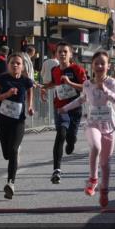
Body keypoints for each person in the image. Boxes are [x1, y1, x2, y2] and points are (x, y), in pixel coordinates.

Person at [59, 50, 115, 209]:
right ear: (92, 66)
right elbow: (82, 99)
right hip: (92, 124)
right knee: (95, 147)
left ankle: (104, 190)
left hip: (108, 126)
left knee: (105, 163)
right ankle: (93, 179)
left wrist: (107, 92)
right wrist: (65, 108)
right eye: (97, 63)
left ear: (108, 66)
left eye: (103, 63)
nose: (100, 66)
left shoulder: (112, 83)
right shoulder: (87, 84)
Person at [0, 53, 35, 198]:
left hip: (18, 122)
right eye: (12, 63)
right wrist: (6, 95)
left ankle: (10, 183)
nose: (15, 65)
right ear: (8, 65)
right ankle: (14, 155)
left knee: (14, 150)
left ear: (22, 67)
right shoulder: (2, 80)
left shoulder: (26, 81)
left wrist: (30, 106)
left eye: (18, 63)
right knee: (6, 155)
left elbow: (30, 92)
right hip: (3, 120)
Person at [45, 43, 86, 184]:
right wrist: (44, 88)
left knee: (70, 138)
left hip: (75, 108)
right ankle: (56, 170)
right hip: (60, 108)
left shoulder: (77, 69)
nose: (62, 54)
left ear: (70, 55)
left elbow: (85, 88)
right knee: (60, 134)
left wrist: (70, 83)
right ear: (56, 55)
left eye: (65, 52)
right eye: (59, 52)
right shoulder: (55, 70)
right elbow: (54, 83)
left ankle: (72, 141)